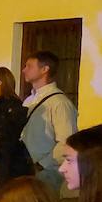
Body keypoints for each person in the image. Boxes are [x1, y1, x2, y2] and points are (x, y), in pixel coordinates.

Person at [21, 50, 78, 194]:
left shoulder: (59, 103)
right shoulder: (29, 100)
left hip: (45, 172)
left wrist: (42, 165)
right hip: (25, 168)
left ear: (45, 69)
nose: (24, 70)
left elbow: (67, 140)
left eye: (29, 66)